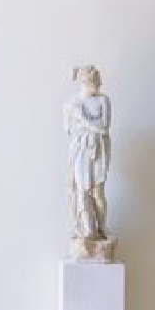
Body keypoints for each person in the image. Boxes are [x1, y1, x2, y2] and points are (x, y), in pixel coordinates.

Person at [63, 64, 111, 245]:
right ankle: (87, 229)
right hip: (80, 149)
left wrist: (82, 118)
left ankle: (101, 227)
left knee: (98, 192)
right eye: (96, 83)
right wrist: (86, 125)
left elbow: (104, 127)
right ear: (85, 82)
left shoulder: (103, 100)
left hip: (99, 149)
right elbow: (69, 130)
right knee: (81, 190)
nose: (100, 85)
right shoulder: (70, 103)